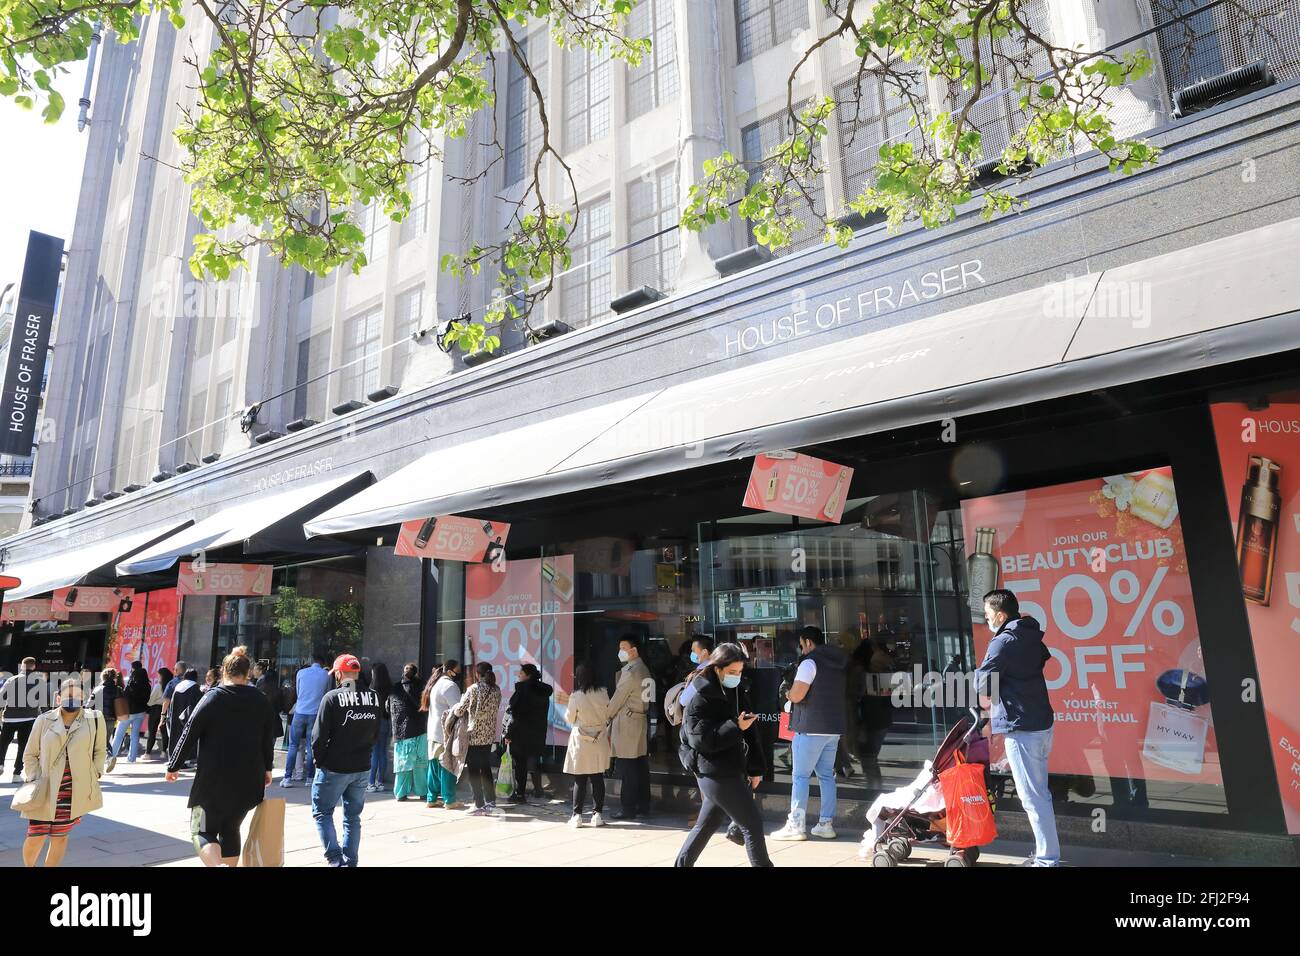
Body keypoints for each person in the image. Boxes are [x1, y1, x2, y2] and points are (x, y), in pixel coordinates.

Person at [165, 651, 279, 866]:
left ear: (223, 671)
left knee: (200, 829)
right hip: (249, 780)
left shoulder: (214, 697)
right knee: (231, 827)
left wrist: (174, 765)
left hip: (213, 780)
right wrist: (268, 769)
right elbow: (267, 737)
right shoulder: (260, 700)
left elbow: (190, 730)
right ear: (247, 674)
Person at [976, 588, 1059, 866]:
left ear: (1000, 615)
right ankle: (1046, 855)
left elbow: (983, 684)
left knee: (1033, 798)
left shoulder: (1003, 642)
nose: (986, 622)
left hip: (1022, 726)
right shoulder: (1030, 634)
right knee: (1039, 794)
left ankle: (1047, 860)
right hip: (1041, 722)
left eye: (987, 616)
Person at [675, 643, 773, 867]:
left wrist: (756, 768)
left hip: (728, 769)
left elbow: (751, 733)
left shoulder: (736, 691)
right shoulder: (700, 695)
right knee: (752, 825)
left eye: (739, 672)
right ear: (717, 668)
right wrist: (735, 726)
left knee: (706, 826)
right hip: (713, 771)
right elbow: (701, 740)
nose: (736, 676)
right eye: (732, 672)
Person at [19, 678, 107, 867]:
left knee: (59, 837)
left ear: (83, 698)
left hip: (72, 790)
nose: (73, 699)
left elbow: (100, 750)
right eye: (68, 696)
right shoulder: (44, 719)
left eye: (77, 696)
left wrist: (96, 772)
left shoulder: (94, 719)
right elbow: (30, 754)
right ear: (58, 698)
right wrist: (35, 779)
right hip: (45, 788)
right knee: (36, 836)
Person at [771, 625, 847, 841]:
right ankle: (826, 823)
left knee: (800, 776)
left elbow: (797, 695)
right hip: (832, 729)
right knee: (826, 776)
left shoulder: (809, 662)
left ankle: (796, 825)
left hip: (810, 728)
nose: (801, 649)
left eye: (802, 645)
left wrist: (787, 692)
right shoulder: (837, 662)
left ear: (808, 642)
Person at [310, 654, 382, 867]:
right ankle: (350, 861)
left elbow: (318, 737)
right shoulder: (374, 697)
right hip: (361, 766)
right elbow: (376, 733)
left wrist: (319, 761)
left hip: (334, 766)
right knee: (353, 817)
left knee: (322, 812)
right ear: (357, 672)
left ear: (339, 673)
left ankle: (335, 859)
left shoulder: (332, 698)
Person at [607, 634, 652, 820]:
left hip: (627, 723)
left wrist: (605, 716)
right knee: (640, 766)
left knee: (627, 769)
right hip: (640, 720)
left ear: (634, 650)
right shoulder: (644, 669)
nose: (620, 652)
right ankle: (643, 805)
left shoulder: (631, 671)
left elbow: (617, 700)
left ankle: (628, 808)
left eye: (623, 648)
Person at [449, 662, 502, 815]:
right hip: (488, 736)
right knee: (485, 768)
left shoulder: (473, 689)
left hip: (473, 736)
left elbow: (459, 710)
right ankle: (491, 802)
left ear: (478, 674)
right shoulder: (496, 690)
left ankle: (478, 804)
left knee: (473, 770)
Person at [563, 664, 611, 828]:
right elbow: (608, 714)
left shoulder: (576, 696)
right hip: (599, 738)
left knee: (580, 779)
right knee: (597, 778)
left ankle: (577, 816)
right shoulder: (603, 692)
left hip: (581, 740)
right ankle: (597, 815)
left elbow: (569, 719)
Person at [503, 663, 553, 802]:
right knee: (534, 760)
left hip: (521, 732)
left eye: (521, 673)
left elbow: (515, 714)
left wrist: (509, 733)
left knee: (520, 764)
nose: (519, 675)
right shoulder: (544, 690)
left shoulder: (522, 690)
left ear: (528, 675)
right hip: (537, 732)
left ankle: (520, 794)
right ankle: (538, 790)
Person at [281, 653, 331, 787]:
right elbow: (326, 693)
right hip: (315, 713)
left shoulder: (301, 673)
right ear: (322, 662)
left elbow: (298, 691)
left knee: (293, 745)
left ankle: (287, 777)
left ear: (311, 660)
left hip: (300, 711)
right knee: (310, 746)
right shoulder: (325, 675)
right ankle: (309, 778)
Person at [423, 661, 463, 809]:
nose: (459, 673)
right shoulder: (450, 686)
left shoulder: (436, 684)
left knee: (433, 767)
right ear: (451, 671)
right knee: (448, 767)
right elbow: (458, 710)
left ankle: (431, 798)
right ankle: (450, 800)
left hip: (434, 732)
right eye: (458, 670)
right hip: (445, 734)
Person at [388, 663, 429, 801]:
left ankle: (400, 793)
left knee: (402, 764)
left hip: (401, 731)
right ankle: (422, 791)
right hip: (420, 729)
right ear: (416, 673)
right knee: (420, 763)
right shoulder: (422, 686)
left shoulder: (396, 687)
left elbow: (388, 708)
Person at [1, 657, 42, 782]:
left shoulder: (11, 680)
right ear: (34, 666)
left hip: (9, 718)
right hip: (29, 718)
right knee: (23, 746)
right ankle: (16, 773)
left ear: (22, 666)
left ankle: (0, 764)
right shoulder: (38, 681)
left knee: (3, 744)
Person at [107, 660, 151, 769]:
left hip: (129, 712)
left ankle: (112, 756)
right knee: (135, 735)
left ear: (133, 669)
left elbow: (125, 696)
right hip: (141, 712)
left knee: (119, 735)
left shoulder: (132, 683)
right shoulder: (147, 685)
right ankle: (132, 758)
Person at [367, 662, 393, 793]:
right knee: (383, 752)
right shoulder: (390, 687)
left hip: (373, 722)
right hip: (386, 721)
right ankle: (380, 782)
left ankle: (371, 783)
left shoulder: (372, 689)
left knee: (374, 753)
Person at [166, 669, 202, 763]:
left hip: (175, 717)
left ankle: (173, 758)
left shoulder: (178, 686)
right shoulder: (194, 687)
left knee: (175, 736)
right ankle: (186, 760)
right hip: (187, 718)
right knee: (186, 737)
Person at [97, 668, 123, 767]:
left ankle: (108, 757)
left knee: (99, 740)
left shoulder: (98, 689)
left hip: (100, 718)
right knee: (106, 739)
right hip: (112, 718)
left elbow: (89, 704)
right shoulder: (118, 689)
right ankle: (110, 757)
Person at [253, 661, 284, 743]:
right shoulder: (270, 682)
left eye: (255, 669)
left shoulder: (262, 683)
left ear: (260, 671)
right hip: (273, 719)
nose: (253, 671)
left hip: (265, 720)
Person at [145, 667, 171, 759]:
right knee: (164, 732)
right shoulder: (170, 685)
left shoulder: (158, 686)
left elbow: (151, 700)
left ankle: (147, 753)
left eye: (159, 675)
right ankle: (164, 752)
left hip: (155, 709)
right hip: (166, 709)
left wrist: (148, 705)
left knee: (152, 731)